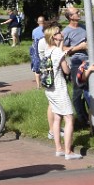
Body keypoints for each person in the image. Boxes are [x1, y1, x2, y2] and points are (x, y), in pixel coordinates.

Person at [40, 25, 80, 159]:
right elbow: (66, 71)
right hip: (59, 88)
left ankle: (59, 149)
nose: (61, 33)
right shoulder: (58, 52)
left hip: (49, 89)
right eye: (58, 33)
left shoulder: (48, 50)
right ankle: (68, 151)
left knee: (57, 117)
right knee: (69, 118)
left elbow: (59, 49)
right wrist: (67, 65)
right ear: (53, 37)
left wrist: (61, 43)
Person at [61, 7, 89, 124]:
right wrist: (79, 48)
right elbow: (62, 49)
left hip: (89, 62)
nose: (79, 13)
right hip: (76, 63)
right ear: (70, 17)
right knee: (78, 91)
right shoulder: (66, 32)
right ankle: (82, 118)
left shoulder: (83, 27)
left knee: (91, 89)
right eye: (76, 12)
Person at [29, 16, 47, 88]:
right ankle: (45, 83)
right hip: (45, 48)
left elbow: (34, 40)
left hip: (36, 50)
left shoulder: (34, 30)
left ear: (38, 22)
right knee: (46, 65)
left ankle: (38, 85)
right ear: (44, 21)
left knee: (37, 67)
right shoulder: (47, 30)